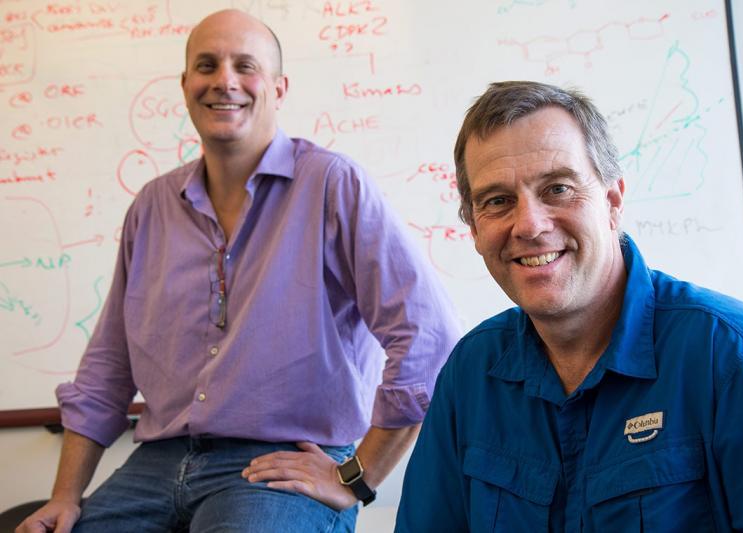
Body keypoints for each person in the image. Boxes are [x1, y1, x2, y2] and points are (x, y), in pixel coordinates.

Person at [17, 8, 460, 533]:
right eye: (207, 65)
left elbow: (429, 339)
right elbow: (107, 369)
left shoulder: (333, 185)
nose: (223, 80)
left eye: (244, 65)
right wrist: (65, 497)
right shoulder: (152, 207)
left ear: (278, 86)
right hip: (156, 464)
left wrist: (358, 477)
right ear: (185, 85)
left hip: (284, 461)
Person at [396, 81, 743, 532]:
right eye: (497, 202)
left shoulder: (737, 361)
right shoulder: (471, 373)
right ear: (473, 228)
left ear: (612, 201)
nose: (529, 225)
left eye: (558, 189)